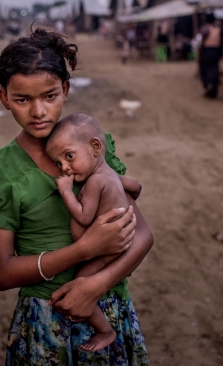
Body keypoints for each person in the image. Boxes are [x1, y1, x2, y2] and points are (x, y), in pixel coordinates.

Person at [0, 28, 152, 364]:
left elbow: (142, 234)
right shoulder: (0, 172)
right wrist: (84, 249)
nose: (38, 111)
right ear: (4, 98)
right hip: (46, 318)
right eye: (23, 100)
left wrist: (96, 286)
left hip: (109, 305)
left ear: (66, 90)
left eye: (50, 96)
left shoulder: (91, 146)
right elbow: (2, 273)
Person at [46, 113, 143, 352]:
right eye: (59, 163)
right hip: (121, 240)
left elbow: (84, 216)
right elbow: (137, 186)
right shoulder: (110, 174)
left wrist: (67, 192)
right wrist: (123, 200)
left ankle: (104, 330)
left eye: (69, 156)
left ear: (96, 147)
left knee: (81, 281)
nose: (65, 168)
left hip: (109, 249)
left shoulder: (95, 182)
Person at [199, 13, 222, 98]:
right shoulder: (218, 29)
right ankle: (213, 88)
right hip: (216, 51)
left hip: (207, 51)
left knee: (205, 69)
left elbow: (202, 42)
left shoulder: (205, 29)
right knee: (214, 70)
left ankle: (209, 86)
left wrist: (200, 53)